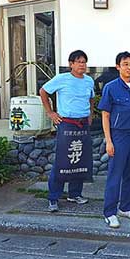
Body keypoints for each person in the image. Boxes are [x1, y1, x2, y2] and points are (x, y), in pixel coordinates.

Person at [39, 50, 95, 212]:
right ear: (71, 64)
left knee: (80, 159)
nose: (82, 65)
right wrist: (51, 113)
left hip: (83, 124)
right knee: (62, 160)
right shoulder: (62, 79)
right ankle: (53, 197)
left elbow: (91, 98)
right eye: (78, 62)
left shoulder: (89, 80)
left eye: (84, 62)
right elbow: (43, 91)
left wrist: (90, 114)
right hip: (67, 124)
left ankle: (75, 194)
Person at [97, 51, 130, 228]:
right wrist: (109, 141)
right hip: (119, 136)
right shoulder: (111, 87)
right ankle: (110, 212)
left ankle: (126, 207)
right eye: (125, 64)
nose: (129, 67)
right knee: (115, 175)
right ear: (118, 67)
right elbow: (105, 115)